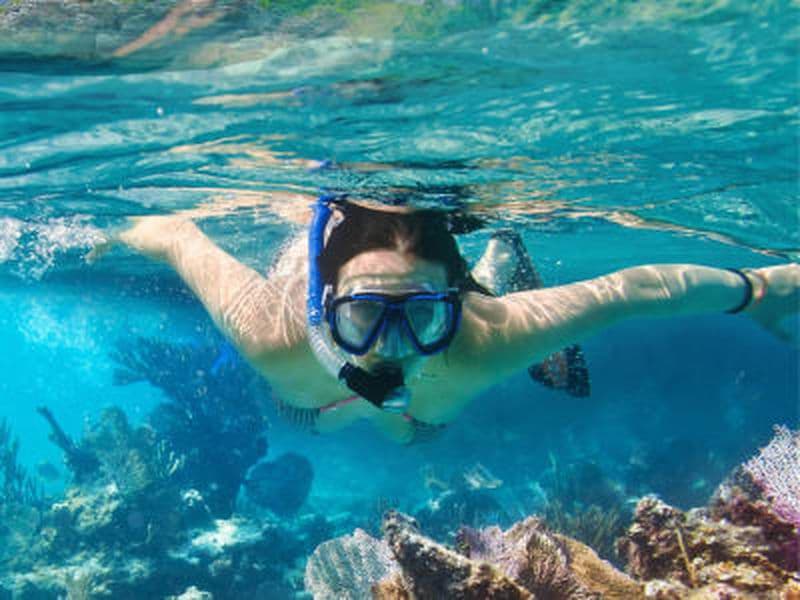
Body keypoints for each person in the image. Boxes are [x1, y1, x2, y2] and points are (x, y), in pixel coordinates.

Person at [94, 196, 800, 444]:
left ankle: (494, 266)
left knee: (415, 437)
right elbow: (176, 233)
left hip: (426, 409)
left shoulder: (485, 339)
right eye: (366, 312)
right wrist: (108, 235)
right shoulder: (272, 332)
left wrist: (762, 290)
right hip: (312, 398)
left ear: (454, 305)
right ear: (323, 304)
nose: (390, 348)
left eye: (425, 315)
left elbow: (634, 289)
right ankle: (496, 264)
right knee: (304, 413)